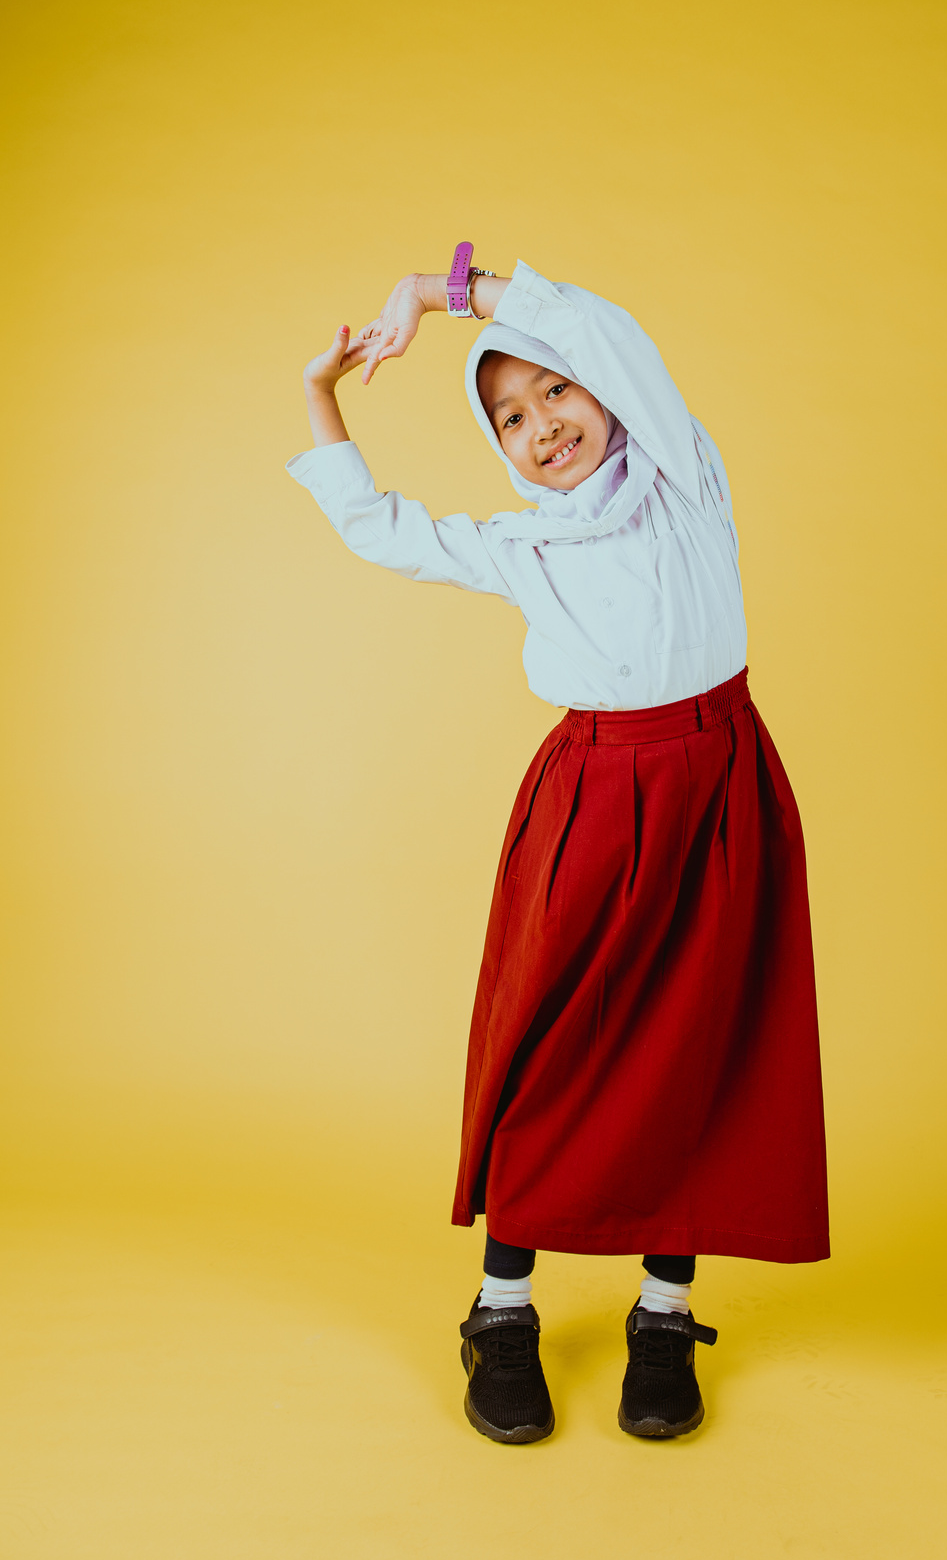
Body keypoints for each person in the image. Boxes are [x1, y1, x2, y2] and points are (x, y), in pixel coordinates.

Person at [289, 252, 829, 1444]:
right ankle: (501, 1306)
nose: (540, 428)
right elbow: (379, 529)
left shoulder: (684, 474)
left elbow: (606, 326)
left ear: (600, 389)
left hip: (718, 782)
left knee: (697, 1041)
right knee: (546, 1046)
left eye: (555, 394)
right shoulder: (520, 545)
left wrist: (435, 295)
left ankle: (663, 1309)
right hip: (588, 795)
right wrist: (325, 392)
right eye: (509, 417)